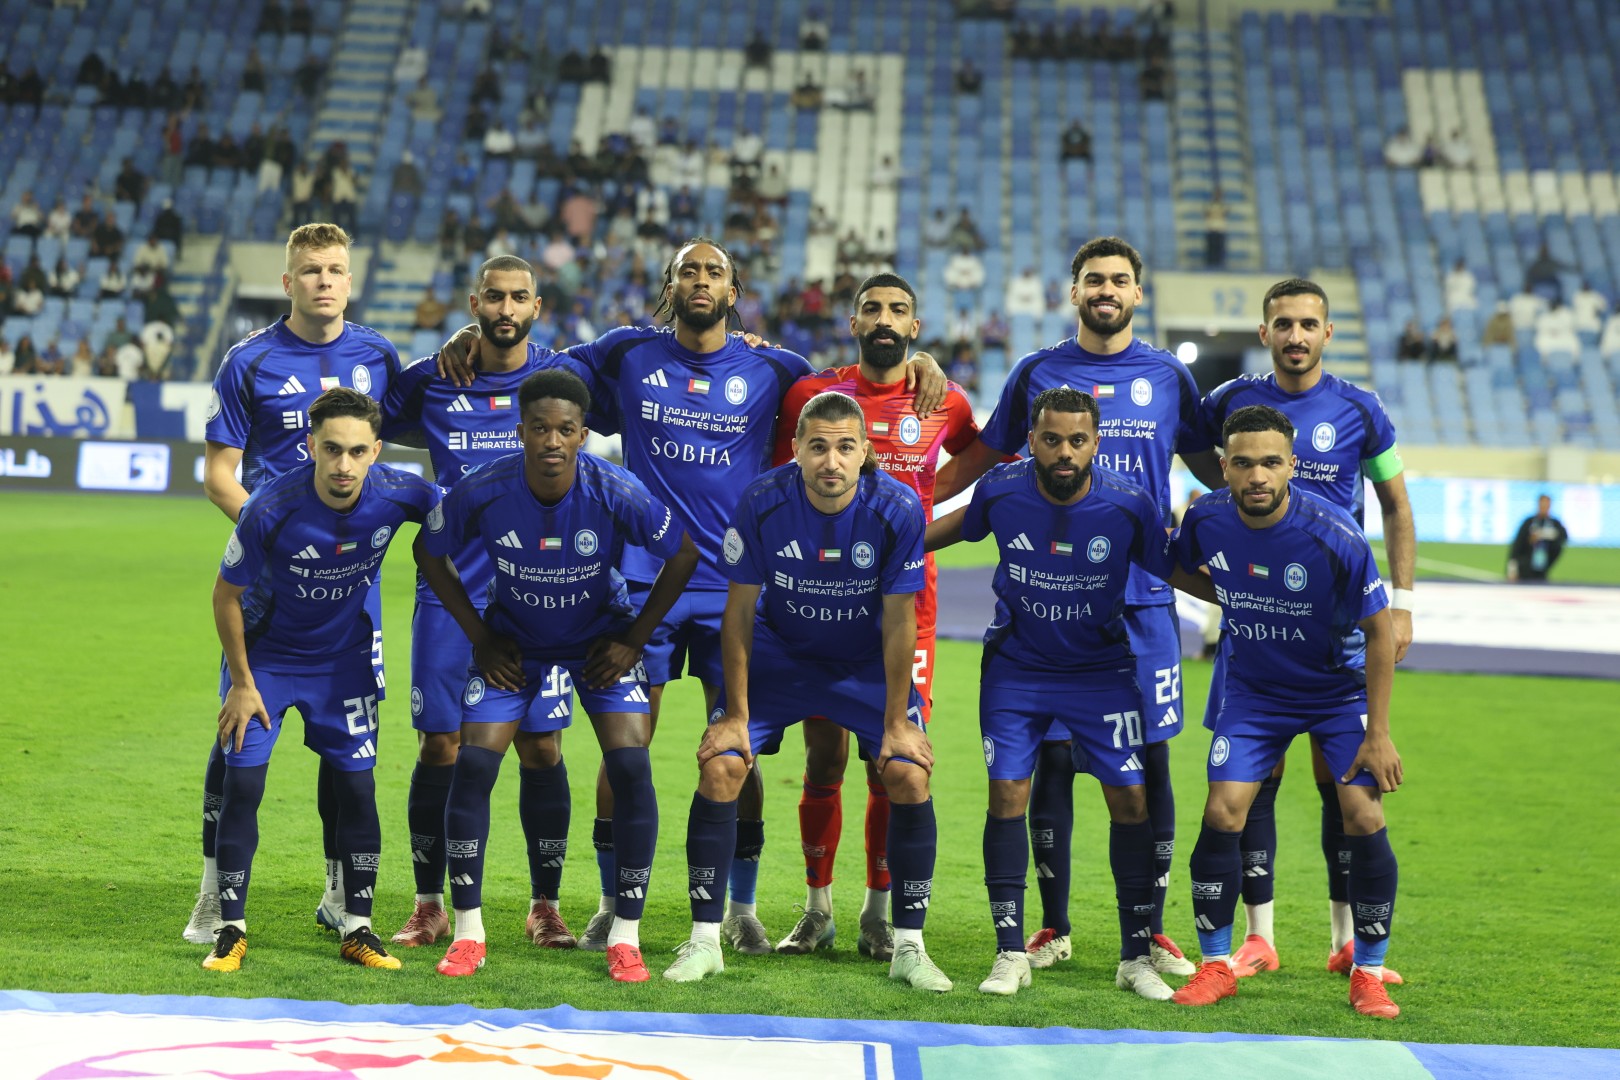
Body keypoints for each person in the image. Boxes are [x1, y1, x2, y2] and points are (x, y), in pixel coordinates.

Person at [435, 239, 947, 954]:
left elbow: (851, 387)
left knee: (738, 744)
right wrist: (474, 336)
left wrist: (921, 365)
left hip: (736, 590)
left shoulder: (775, 368)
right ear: (669, 285)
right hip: (644, 585)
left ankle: (741, 907)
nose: (700, 280)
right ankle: (612, 905)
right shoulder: (626, 352)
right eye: (688, 271)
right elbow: (534, 365)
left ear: (734, 291)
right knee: (627, 744)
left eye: (714, 272)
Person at [935, 236, 1224, 978]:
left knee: (1151, 761)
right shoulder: (1037, 372)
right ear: (1074, 292)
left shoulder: (1168, 375)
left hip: (1144, 599)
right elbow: (984, 458)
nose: (1106, 290)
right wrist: (903, 501)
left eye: (1120, 280)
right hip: (1053, 599)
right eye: (1094, 279)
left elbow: (1211, 469)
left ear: (1137, 293)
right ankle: (1052, 926)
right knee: (1052, 761)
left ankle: (1149, 930)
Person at [415, 368, 698, 982]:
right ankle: (468, 933)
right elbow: (427, 552)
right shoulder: (485, 487)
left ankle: (625, 936)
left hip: (598, 644)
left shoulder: (614, 489)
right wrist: (480, 636)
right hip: (513, 647)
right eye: (539, 428)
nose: (552, 440)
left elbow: (683, 553)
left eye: (565, 430)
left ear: (582, 434)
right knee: (473, 766)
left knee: (632, 767)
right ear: (520, 431)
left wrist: (633, 639)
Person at [664, 390, 949, 991]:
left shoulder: (897, 508)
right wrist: (734, 715)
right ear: (795, 449)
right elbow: (738, 613)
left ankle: (909, 947)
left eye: (845, 447)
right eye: (817, 446)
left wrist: (897, 723)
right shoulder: (763, 500)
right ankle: (704, 940)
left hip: (861, 664)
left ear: (865, 451)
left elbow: (901, 620)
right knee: (721, 765)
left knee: (907, 773)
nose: (831, 461)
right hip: (781, 656)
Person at [186, 224, 409, 948]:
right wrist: (277, 534)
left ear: (351, 280)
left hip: (353, 589)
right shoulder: (248, 360)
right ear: (288, 282)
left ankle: (340, 889)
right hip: (267, 586)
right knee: (239, 731)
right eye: (311, 270)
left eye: (335, 269)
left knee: (346, 746)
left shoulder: (378, 356)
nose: (324, 281)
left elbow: (405, 436)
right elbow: (218, 474)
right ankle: (213, 893)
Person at [1191, 278, 1414, 983]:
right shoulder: (1229, 401)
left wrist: (1403, 602)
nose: (1295, 336)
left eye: (1308, 324)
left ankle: (1346, 937)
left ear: (1327, 333)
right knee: (1252, 780)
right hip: (1258, 628)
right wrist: (1231, 550)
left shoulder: (1360, 408)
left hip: (1336, 625)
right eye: (1283, 324)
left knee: (1338, 782)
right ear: (1265, 333)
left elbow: (1395, 504)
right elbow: (1192, 449)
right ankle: (1259, 937)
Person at [382, 257, 603, 952]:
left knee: (541, 745)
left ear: (537, 307)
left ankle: (545, 905)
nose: (507, 309)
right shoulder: (433, 378)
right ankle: (428, 905)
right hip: (451, 590)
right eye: (494, 297)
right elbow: (371, 422)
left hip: (543, 592)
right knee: (440, 743)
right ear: (475, 303)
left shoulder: (561, 378)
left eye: (519, 298)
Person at [1167, 404, 1404, 1021]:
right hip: (1255, 692)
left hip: (1335, 692)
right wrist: (1235, 595)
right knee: (1223, 810)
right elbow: (1176, 565)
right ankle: (1216, 966)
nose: (1257, 476)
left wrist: (1378, 733)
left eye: (1271, 462)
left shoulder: (1335, 533)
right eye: (1243, 463)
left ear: (1292, 465)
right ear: (1223, 466)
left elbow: (1380, 633)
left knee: (1363, 813)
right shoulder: (1206, 517)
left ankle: (1367, 972)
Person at [768, 275, 979, 960]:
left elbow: (983, 451)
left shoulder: (943, 398)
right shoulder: (814, 395)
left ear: (915, 326)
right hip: (824, 598)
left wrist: (923, 505)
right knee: (823, 753)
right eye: (872, 309)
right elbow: (782, 473)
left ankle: (878, 915)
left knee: (892, 758)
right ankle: (817, 909)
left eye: (898, 310)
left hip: (908, 607)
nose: (884, 319)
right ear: (853, 322)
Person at [202, 386, 440, 974]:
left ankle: (357, 928)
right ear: (310, 445)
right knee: (244, 785)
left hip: (344, 665)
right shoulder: (270, 506)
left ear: (376, 451)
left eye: (357, 451)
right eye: (332, 449)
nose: (343, 465)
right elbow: (225, 596)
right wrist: (241, 684)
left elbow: (459, 514)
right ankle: (230, 929)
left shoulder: (404, 493)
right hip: (267, 664)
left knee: (358, 791)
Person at [1507, 495, 1568, 583]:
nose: (1544, 507)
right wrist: (1512, 569)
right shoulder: (1529, 523)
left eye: (1546, 504)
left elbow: (1563, 537)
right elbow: (1517, 546)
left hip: (1542, 567)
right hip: (1525, 569)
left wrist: (1546, 535)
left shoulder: (1554, 524)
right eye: (1542, 504)